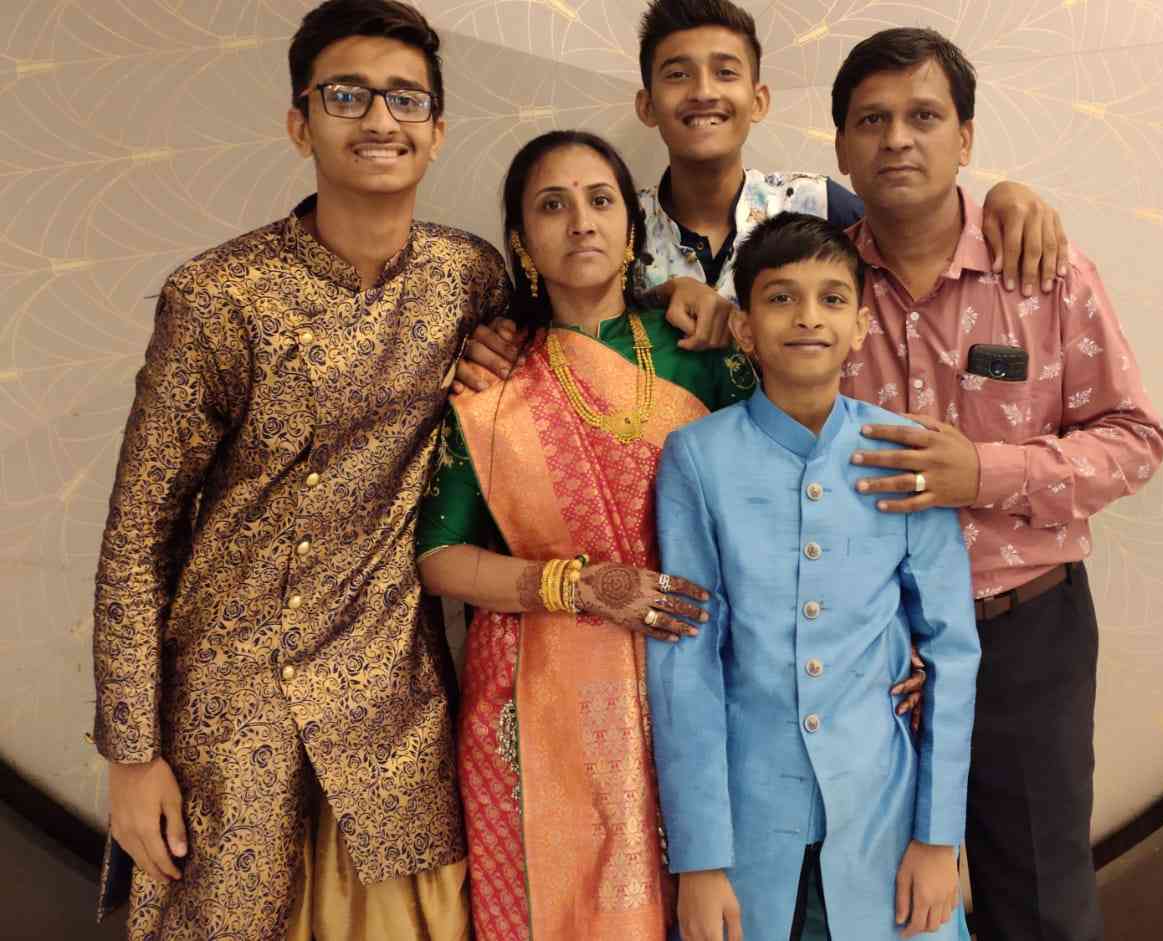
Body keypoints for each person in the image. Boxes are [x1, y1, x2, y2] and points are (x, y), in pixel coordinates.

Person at [91, 2, 509, 938]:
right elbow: (140, 532)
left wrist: (692, 300)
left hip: (391, 694)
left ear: (438, 131)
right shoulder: (218, 295)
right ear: (299, 122)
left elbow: (568, 344)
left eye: (406, 99)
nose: (380, 119)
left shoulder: (467, 278)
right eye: (347, 96)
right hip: (231, 700)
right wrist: (131, 752)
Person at [832, 28, 1163, 941]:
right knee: (875, 907)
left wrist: (983, 471)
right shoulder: (819, 289)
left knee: (1040, 904)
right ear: (842, 150)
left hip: (1023, 631)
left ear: (967, 139)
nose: (898, 139)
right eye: (872, 120)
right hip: (871, 651)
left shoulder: (1044, 273)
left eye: (923, 116)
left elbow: (1135, 439)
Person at [414, 129, 753, 941]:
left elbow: (769, 509)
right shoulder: (493, 379)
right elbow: (438, 556)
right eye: (552, 205)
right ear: (521, 241)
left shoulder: (701, 354)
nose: (581, 222)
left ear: (632, 227)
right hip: (533, 704)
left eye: (601, 200)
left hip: (687, 678)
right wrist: (573, 584)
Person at [454, 0, 1069, 396]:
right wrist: (501, 341)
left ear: (759, 99)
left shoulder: (819, 205)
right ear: (647, 104)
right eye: (677, 74)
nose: (703, 92)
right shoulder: (614, 223)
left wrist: (1005, 197)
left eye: (725, 72)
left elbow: (913, 231)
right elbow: (556, 318)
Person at [649, 211, 981, 941]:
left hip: (886, 817)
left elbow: (954, 649)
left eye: (832, 299)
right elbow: (685, 663)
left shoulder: (903, 450)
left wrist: (939, 837)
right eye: (781, 298)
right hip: (748, 827)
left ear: (859, 326)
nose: (808, 317)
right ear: (744, 328)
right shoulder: (697, 458)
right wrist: (700, 860)